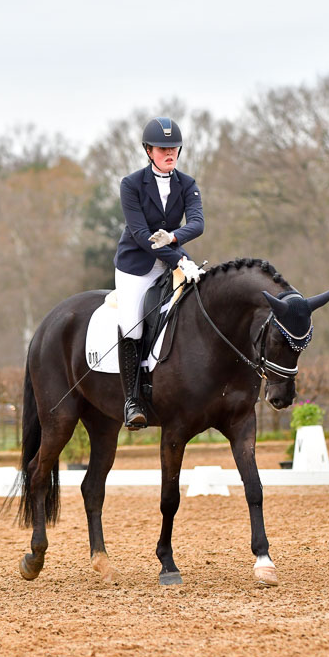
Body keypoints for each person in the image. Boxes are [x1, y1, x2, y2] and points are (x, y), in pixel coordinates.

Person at [114, 116, 205, 430]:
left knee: (196, 309)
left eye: (174, 147)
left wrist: (175, 238)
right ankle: (132, 401)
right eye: (163, 148)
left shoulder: (188, 184)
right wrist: (179, 258)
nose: (170, 153)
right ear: (148, 150)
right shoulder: (131, 184)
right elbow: (141, 235)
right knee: (131, 323)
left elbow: (198, 224)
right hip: (136, 266)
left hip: (171, 257)